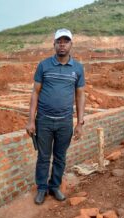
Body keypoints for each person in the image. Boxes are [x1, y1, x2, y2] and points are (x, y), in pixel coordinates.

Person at [26, 28, 85, 205]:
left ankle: (55, 186)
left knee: (60, 156)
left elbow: (80, 95)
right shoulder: (44, 65)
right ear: (54, 44)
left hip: (65, 122)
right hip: (43, 120)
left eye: (66, 41)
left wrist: (80, 122)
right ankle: (42, 188)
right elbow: (35, 93)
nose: (62, 44)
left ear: (71, 45)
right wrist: (30, 120)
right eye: (59, 41)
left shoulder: (78, 68)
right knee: (43, 157)